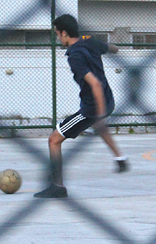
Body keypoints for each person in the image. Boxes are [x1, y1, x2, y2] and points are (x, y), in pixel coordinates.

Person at [34, 14, 129, 199]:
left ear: (64, 33)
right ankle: (120, 158)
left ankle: (57, 187)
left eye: (57, 34)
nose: (57, 38)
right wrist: (112, 49)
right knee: (99, 127)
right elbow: (113, 49)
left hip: (92, 107)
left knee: (54, 140)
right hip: (108, 99)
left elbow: (95, 84)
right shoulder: (89, 42)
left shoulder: (75, 55)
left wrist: (99, 114)